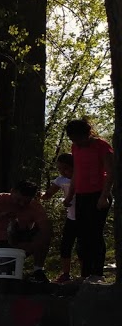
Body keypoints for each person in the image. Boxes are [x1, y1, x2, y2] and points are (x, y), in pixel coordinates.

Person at [63, 119, 115, 283]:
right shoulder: (75, 147)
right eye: (73, 140)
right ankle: (85, 274)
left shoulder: (102, 146)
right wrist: (70, 196)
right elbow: (76, 173)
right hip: (82, 195)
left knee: (95, 234)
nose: (76, 142)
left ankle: (97, 273)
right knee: (82, 235)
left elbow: (110, 172)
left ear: (87, 134)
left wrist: (104, 196)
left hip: (98, 194)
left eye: (78, 138)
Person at [0, 180, 51, 281]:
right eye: (18, 199)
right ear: (12, 191)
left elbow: (46, 229)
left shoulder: (35, 207)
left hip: (19, 241)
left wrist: (33, 244)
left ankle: (38, 270)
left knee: (43, 239)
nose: (21, 204)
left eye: (26, 202)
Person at [41, 153, 78, 282]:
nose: (63, 172)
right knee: (66, 245)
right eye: (60, 169)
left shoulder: (81, 177)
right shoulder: (61, 180)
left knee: (83, 245)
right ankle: (66, 273)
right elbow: (49, 193)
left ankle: (86, 273)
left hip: (85, 216)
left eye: (66, 168)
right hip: (71, 217)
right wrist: (40, 195)